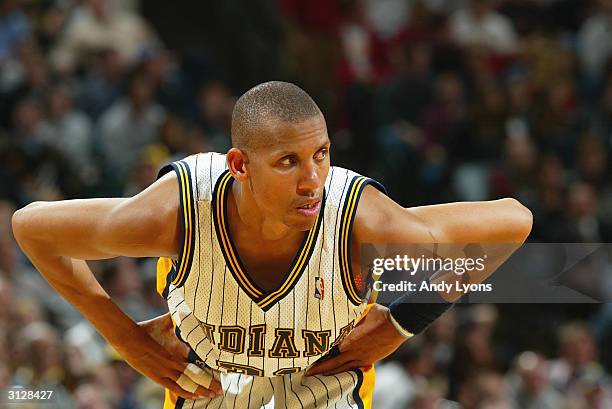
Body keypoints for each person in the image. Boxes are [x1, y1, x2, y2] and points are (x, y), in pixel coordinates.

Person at [11, 81, 532, 408]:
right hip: (210, 386)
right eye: (288, 161)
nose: (313, 180)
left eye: (322, 155)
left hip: (321, 388)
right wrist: (123, 338)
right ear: (239, 165)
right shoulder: (173, 213)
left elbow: (512, 221)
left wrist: (403, 321)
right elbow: (32, 227)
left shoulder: (358, 218)